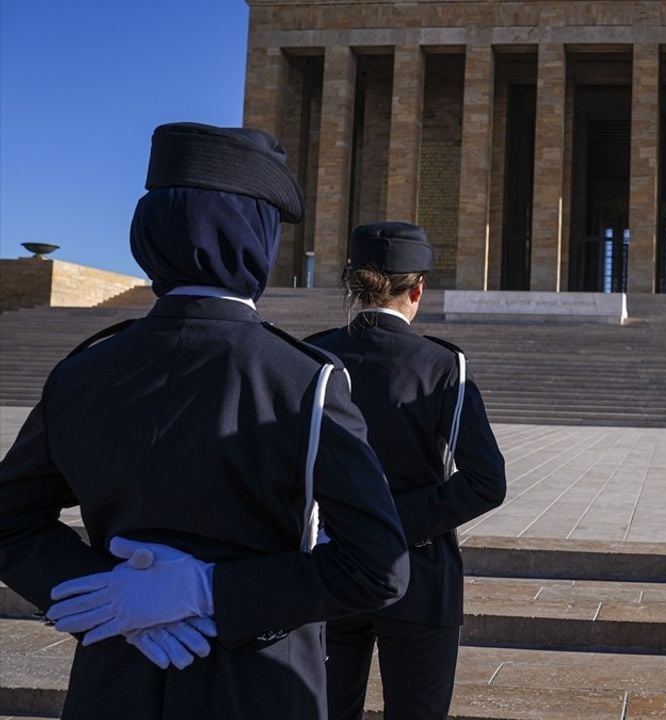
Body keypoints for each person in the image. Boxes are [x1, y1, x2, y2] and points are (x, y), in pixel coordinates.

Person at [0, 122, 410, 720]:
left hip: (115, 680)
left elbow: (9, 524)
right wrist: (210, 591)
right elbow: (378, 568)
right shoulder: (302, 381)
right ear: (257, 238)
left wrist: (115, 598)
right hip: (259, 687)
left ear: (150, 233)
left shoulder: (82, 373)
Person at [307, 222, 507, 720]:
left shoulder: (310, 357)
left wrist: (346, 524)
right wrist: (392, 522)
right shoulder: (440, 366)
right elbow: (486, 481)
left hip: (328, 567)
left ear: (352, 283)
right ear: (417, 290)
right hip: (418, 570)